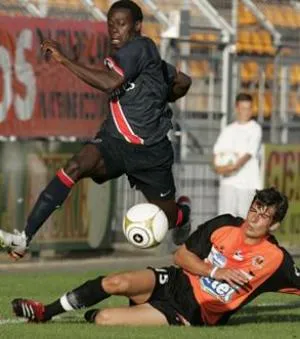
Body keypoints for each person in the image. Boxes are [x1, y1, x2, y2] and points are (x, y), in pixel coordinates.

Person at [0, 0, 192, 259]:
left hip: (151, 153)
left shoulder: (141, 47)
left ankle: (183, 215)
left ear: (137, 26)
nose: (114, 30)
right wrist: (160, 91)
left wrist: (63, 59)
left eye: (121, 24)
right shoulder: (141, 58)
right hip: (114, 142)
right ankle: (24, 238)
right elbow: (182, 81)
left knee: (167, 217)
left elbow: (108, 83)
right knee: (75, 166)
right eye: (110, 24)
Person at [12, 187, 300, 327]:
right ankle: (45, 312)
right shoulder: (225, 224)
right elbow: (181, 256)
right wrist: (214, 272)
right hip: (175, 280)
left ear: (273, 224)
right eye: (255, 209)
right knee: (116, 282)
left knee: (104, 319)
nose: (255, 218)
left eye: (264, 216)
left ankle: (100, 311)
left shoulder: (276, 259)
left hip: (192, 312)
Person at [213, 92, 262, 218]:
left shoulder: (255, 129)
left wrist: (233, 167)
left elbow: (248, 155)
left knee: (245, 220)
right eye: (243, 108)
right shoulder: (228, 130)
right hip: (228, 183)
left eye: (249, 108)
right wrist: (218, 168)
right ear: (237, 108)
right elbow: (217, 154)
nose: (246, 112)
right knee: (225, 219)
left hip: (247, 184)